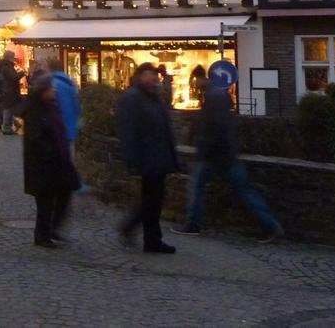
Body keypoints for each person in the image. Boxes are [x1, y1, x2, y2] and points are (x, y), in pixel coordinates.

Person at [172, 78, 284, 243]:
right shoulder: (220, 95)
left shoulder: (213, 97)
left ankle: (193, 224)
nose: (194, 85)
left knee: (196, 187)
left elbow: (213, 128)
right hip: (228, 153)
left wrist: (203, 148)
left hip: (214, 155)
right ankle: (270, 225)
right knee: (244, 190)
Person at [117, 62, 181, 254]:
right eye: (148, 74)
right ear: (139, 77)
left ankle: (151, 239)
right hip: (147, 157)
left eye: (154, 75)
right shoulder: (132, 98)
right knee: (151, 200)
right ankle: (139, 233)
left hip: (158, 156)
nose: (152, 78)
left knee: (153, 200)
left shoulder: (154, 97)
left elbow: (164, 128)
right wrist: (133, 161)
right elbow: (128, 131)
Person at [22, 73, 80, 248]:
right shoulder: (35, 111)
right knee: (45, 200)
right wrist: (50, 152)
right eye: (51, 88)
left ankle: (51, 229)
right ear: (43, 91)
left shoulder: (51, 107)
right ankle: (42, 235)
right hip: (43, 164)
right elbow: (35, 139)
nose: (54, 90)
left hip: (58, 161)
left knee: (64, 192)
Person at [47, 59, 81, 157]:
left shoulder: (52, 85)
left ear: (49, 69)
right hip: (70, 128)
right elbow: (77, 107)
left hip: (57, 129)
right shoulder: (69, 84)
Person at [0, 50, 26, 135]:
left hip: (8, 91)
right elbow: (13, 77)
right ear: (10, 57)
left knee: (10, 108)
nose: (14, 59)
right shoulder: (6, 67)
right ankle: (6, 127)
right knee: (8, 109)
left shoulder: (4, 66)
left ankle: (11, 125)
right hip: (9, 91)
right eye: (13, 57)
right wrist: (22, 73)